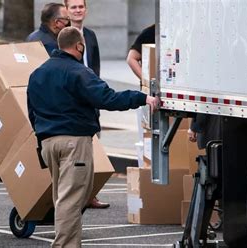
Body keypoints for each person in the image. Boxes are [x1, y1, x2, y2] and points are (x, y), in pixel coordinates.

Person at [27, 27, 159, 248]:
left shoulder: (37, 73)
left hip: (47, 142)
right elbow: (107, 98)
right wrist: (141, 97)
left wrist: (42, 136)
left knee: (63, 196)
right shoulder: (79, 72)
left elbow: (31, 110)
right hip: (74, 142)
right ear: (79, 46)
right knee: (72, 198)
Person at [64, 0, 108, 209]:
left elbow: (95, 66)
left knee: (93, 151)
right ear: (66, 11)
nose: (78, 10)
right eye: (73, 7)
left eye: (81, 7)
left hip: (91, 100)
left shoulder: (90, 35)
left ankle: (91, 194)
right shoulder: (62, 37)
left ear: (86, 10)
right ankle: (74, 196)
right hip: (72, 102)